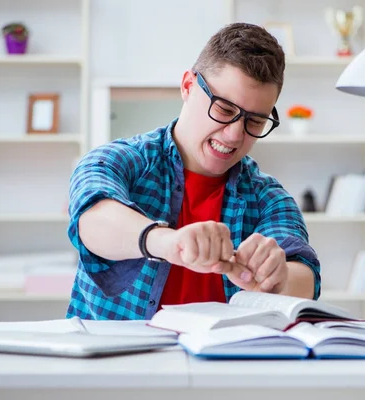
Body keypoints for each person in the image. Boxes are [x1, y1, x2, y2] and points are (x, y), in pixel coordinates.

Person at [66, 22, 321, 320]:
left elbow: (305, 274)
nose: (234, 135)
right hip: (115, 364)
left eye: (255, 121)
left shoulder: (269, 198)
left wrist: (278, 278)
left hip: (223, 364)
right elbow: (91, 220)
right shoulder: (116, 160)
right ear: (188, 85)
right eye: (225, 109)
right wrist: (167, 243)